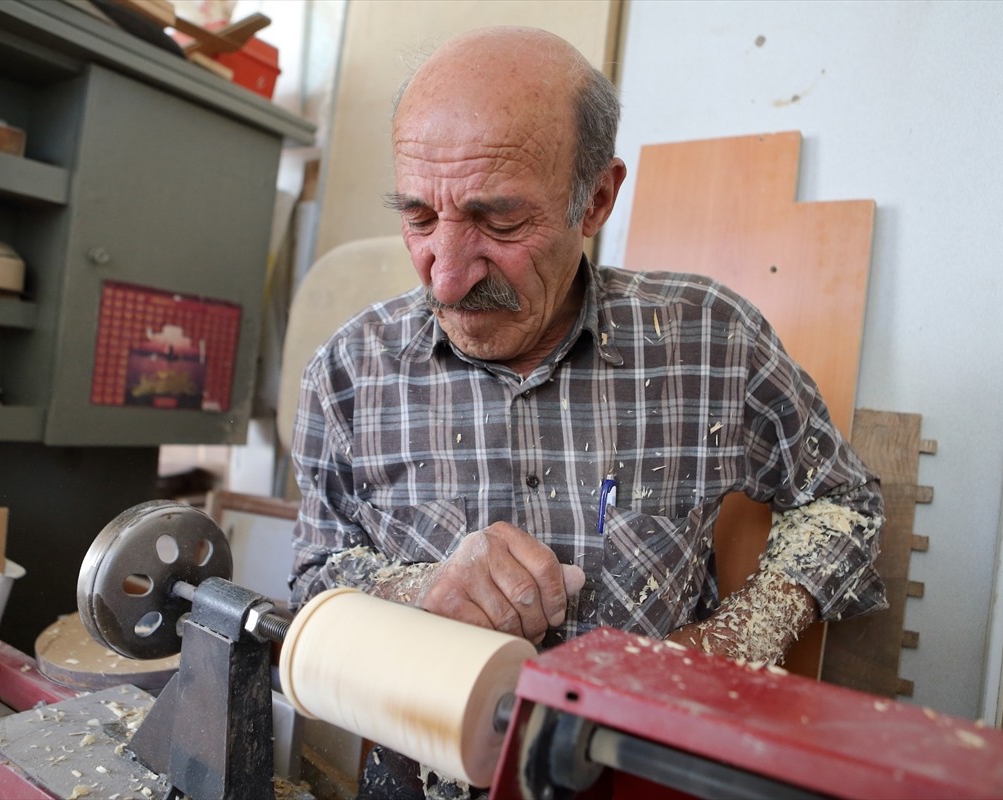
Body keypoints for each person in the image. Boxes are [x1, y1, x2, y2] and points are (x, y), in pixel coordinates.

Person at [287, 25, 886, 797]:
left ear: (595, 197)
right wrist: (415, 590)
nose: (447, 279)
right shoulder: (349, 373)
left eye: (499, 221)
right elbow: (312, 578)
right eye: (419, 219)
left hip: (646, 770)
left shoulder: (709, 342)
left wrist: (744, 632)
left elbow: (842, 501)